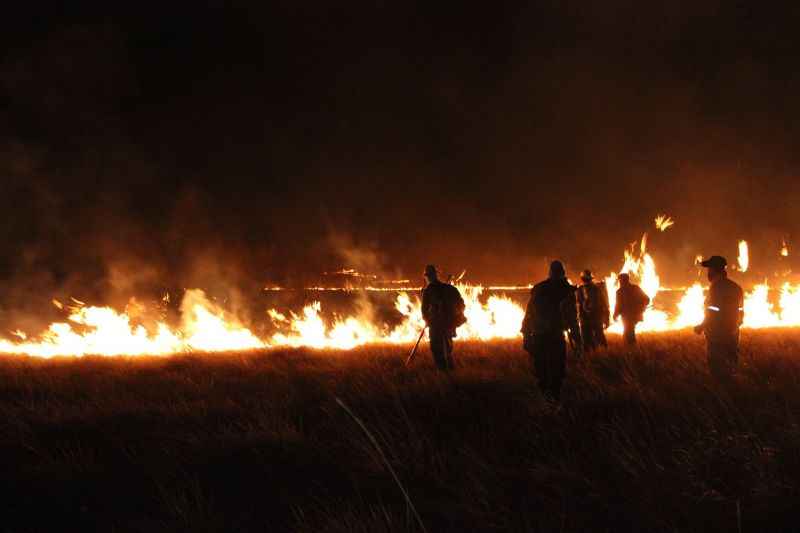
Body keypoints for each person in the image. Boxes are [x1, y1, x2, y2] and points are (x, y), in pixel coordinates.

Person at [520, 260, 579, 402]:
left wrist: (526, 334)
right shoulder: (566, 290)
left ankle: (546, 396)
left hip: (539, 335)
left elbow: (528, 314)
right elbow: (571, 316)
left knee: (542, 369)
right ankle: (553, 398)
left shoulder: (539, 288)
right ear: (562, 273)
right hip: (554, 336)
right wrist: (577, 338)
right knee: (556, 369)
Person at [693, 255, 744, 380]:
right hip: (733, 335)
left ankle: (720, 394)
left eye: (709, 269)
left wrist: (702, 326)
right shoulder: (736, 287)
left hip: (717, 335)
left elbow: (713, 310)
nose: (708, 273)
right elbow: (741, 311)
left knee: (717, 369)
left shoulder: (716, 288)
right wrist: (734, 327)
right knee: (732, 367)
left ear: (715, 270)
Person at [421, 264, 466, 370]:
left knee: (439, 350)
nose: (428, 278)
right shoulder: (449, 288)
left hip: (439, 325)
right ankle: (449, 374)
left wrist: (428, 319)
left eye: (429, 276)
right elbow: (461, 305)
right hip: (445, 324)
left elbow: (424, 310)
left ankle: (444, 373)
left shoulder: (429, 291)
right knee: (446, 350)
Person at [576, 269, 609, 352]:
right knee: (590, 338)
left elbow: (603, 304)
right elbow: (579, 304)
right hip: (589, 318)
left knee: (596, 336)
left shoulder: (595, 289)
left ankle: (601, 353)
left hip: (594, 317)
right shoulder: (581, 290)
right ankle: (595, 354)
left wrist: (606, 317)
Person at [613, 273, 650, 345]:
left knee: (628, 331)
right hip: (628, 315)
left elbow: (646, 299)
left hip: (630, 315)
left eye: (620, 280)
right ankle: (630, 347)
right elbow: (646, 299)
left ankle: (630, 347)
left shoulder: (621, 291)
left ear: (624, 280)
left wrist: (641, 309)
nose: (620, 282)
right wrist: (615, 314)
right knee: (628, 331)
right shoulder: (632, 289)